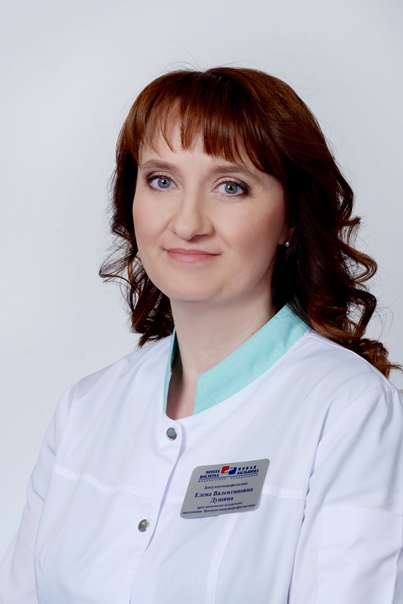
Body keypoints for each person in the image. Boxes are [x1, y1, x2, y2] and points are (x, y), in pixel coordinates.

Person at [0, 67, 402, 603]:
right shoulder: (85, 409)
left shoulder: (348, 411)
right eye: (161, 180)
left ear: (289, 218)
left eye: (231, 186)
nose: (188, 223)